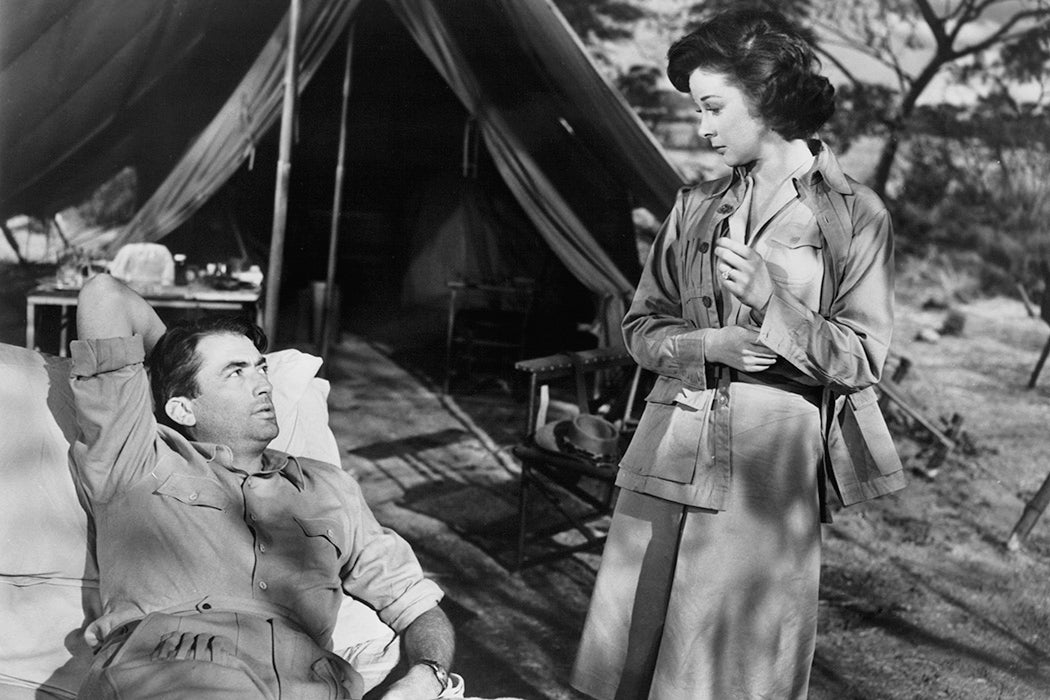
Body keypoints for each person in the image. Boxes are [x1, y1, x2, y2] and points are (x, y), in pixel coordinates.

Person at [571, 9, 905, 700]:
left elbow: (864, 355)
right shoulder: (695, 204)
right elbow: (641, 325)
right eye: (698, 109)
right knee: (627, 659)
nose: (702, 127)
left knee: (724, 670)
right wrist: (709, 343)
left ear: (767, 100)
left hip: (765, 470)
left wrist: (770, 301)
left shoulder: (854, 214)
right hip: (666, 451)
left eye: (714, 107)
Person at [70, 273, 456, 699]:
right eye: (235, 373)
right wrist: (176, 362)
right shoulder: (135, 458)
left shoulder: (329, 486)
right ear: (181, 407)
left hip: (308, 684)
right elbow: (104, 297)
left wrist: (428, 674)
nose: (264, 384)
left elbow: (416, 602)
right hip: (172, 672)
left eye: (261, 368)